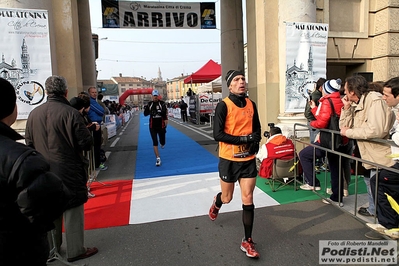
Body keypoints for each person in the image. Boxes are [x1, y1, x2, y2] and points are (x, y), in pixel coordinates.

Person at [25, 75, 98, 262]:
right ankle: (75, 250)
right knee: (73, 210)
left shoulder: (34, 114)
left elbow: (29, 143)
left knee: (50, 210)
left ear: (47, 92)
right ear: (65, 92)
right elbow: (85, 143)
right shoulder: (71, 113)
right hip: (70, 169)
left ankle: (52, 249)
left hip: (44, 170)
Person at [0, 78, 70, 266]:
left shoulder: (34, 115)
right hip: (17, 252)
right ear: (13, 107)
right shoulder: (19, 158)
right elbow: (52, 202)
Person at [209, 70, 262, 259]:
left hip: (247, 160)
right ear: (230, 85)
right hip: (229, 160)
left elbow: (256, 127)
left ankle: (247, 240)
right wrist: (245, 138)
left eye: (243, 79)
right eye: (237, 80)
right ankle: (216, 203)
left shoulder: (251, 104)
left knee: (248, 198)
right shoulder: (224, 105)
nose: (241, 82)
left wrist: (255, 141)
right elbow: (218, 135)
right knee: (227, 198)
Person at [339, 75, 395, 239]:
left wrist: (349, 132)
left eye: (346, 90)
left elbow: (376, 130)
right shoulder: (358, 103)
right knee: (373, 186)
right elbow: (344, 126)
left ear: (352, 90)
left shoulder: (374, 101)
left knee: (382, 192)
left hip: (382, 156)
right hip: (369, 155)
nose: (344, 93)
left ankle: (387, 227)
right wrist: (347, 108)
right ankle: (381, 221)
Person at [299, 79, 348, 204]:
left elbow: (321, 122)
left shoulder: (327, 101)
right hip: (340, 139)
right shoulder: (340, 100)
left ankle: (314, 183)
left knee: (304, 154)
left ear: (326, 89)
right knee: (336, 167)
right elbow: (327, 116)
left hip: (328, 139)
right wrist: (315, 109)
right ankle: (338, 195)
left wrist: (312, 123)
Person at [368, 77, 399, 233]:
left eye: (387, 95)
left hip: (394, 159)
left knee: (378, 181)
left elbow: (394, 135)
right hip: (394, 158)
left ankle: (391, 224)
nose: (384, 98)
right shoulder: (394, 109)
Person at [144, 89, 168, 166]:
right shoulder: (149, 104)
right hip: (152, 126)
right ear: (152, 96)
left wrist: (165, 124)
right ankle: (158, 158)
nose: (155, 97)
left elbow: (165, 114)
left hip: (161, 126)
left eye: (156, 96)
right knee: (155, 142)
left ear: (158, 96)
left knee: (162, 142)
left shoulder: (162, 103)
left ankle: (162, 142)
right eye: (154, 96)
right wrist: (150, 112)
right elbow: (145, 113)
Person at [87, 86, 107, 171]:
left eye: (95, 92)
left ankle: (97, 163)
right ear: (89, 93)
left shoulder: (94, 102)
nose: (94, 94)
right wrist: (99, 113)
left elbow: (102, 111)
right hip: (94, 126)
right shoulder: (91, 102)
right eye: (93, 92)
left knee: (98, 146)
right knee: (96, 146)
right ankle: (97, 164)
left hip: (97, 124)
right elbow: (101, 111)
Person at [304, 78, 326, 143]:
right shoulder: (316, 96)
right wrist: (315, 120)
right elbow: (308, 112)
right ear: (321, 87)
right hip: (314, 121)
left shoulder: (315, 95)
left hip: (313, 121)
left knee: (314, 140)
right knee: (315, 141)